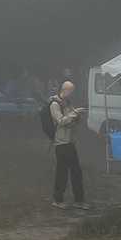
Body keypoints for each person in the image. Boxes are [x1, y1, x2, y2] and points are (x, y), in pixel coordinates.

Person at [49, 80, 88, 210]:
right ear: (65, 90)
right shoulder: (54, 104)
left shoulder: (67, 103)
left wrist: (77, 117)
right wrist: (75, 113)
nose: (72, 93)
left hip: (70, 142)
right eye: (71, 91)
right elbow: (60, 121)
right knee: (62, 173)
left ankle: (79, 200)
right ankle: (58, 200)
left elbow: (70, 121)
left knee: (76, 172)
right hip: (61, 143)